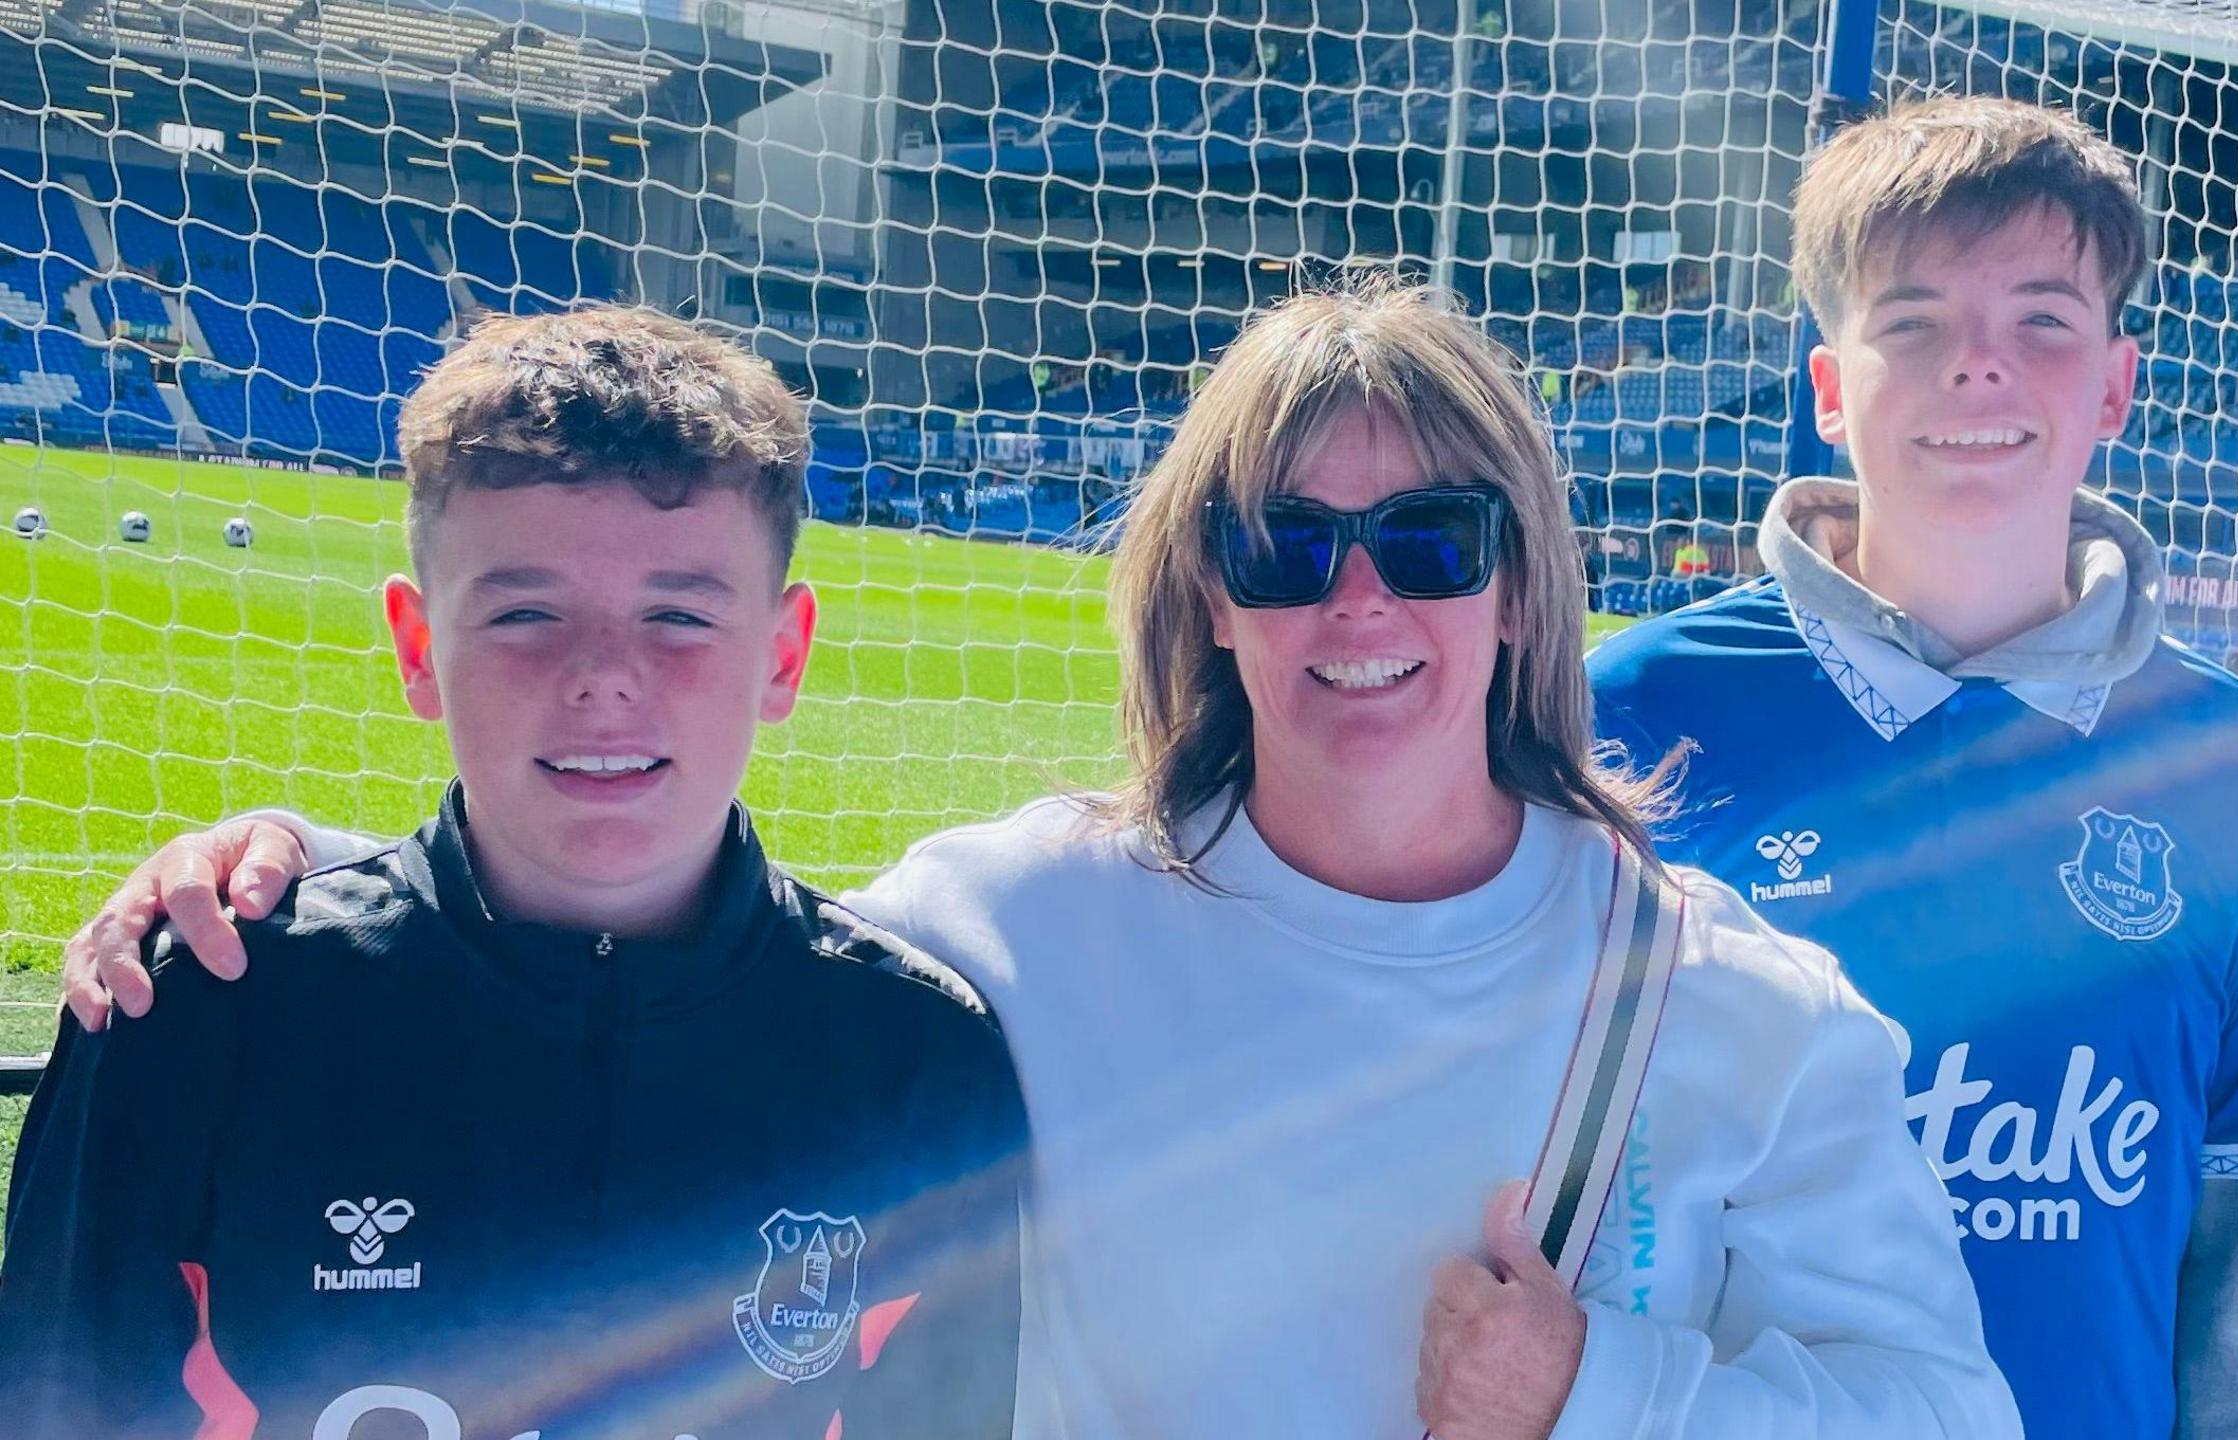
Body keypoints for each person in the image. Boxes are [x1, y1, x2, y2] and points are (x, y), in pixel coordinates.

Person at [56, 281, 2018, 1438]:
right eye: (1279, 547)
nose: (1355, 602)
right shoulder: (1018, 925)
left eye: (1428, 542)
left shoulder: (1738, 1009)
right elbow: (664, 933)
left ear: (1519, 590)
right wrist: (293, 891)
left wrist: (1600, 1387)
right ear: (1209, 602)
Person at [2, 307, 1030, 1440]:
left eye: (679, 615)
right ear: (417, 647)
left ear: (781, 655)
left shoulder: (916, 1064)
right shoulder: (197, 1010)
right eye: (526, 612)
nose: (601, 678)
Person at [1587, 98, 2238, 1439]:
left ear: (2116, 384)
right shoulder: (1630, 716)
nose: (1978, 367)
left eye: (2044, 320)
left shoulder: (2231, 764)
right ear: (1831, 389)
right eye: (1913, 322)